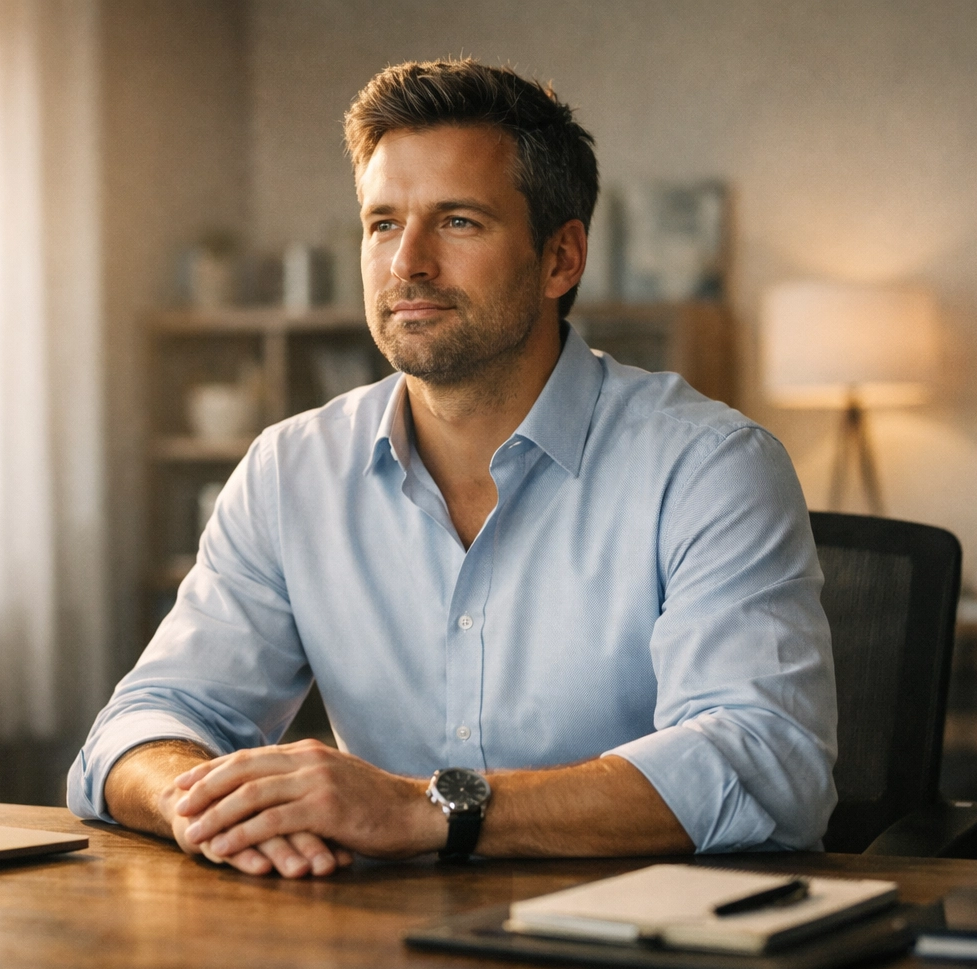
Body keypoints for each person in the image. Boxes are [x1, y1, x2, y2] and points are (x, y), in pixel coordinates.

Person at [68, 58, 837, 878]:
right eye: (382, 224)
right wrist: (218, 806)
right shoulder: (289, 471)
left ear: (561, 259)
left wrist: (421, 809)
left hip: (644, 955)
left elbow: (764, 763)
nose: (408, 264)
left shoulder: (710, 466)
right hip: (371, 944)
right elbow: (139, 728)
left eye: (459, 222)